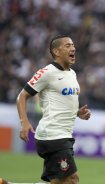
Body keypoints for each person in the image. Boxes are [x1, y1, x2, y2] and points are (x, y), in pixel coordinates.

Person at [16, 35, 91, 184]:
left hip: (63, 135)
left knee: (58, 182)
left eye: (73, 45)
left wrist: (77, 113)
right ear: (56, 51)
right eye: (68, 46)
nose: (73, 48)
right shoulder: (47, 73)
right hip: (52, 135)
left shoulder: (72, 73)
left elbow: (61, 103)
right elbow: (22, 96)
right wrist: (24, 122)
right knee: (72, 180)